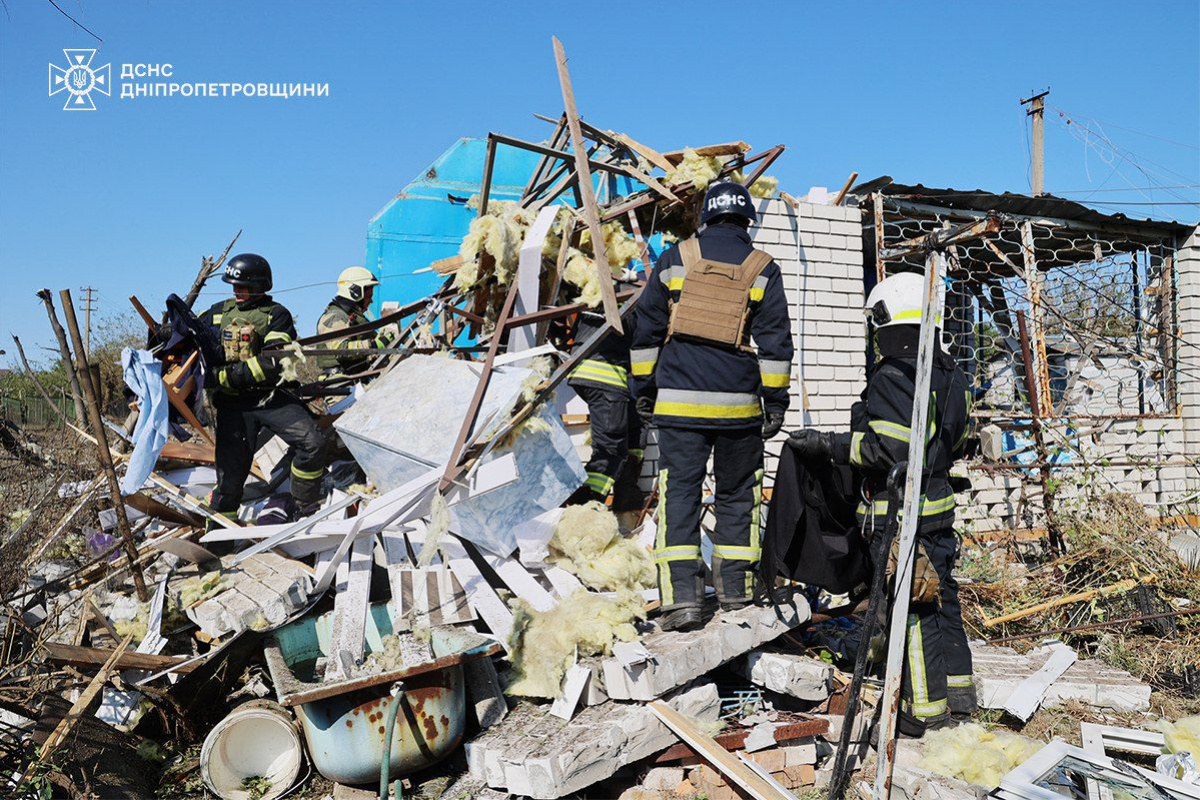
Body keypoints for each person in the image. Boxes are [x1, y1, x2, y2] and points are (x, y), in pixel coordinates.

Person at [787, 271, 974, 736]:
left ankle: (923, 712)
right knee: (940, 600)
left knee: (909, 610)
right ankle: (959, 693)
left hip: (901, 514)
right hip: (938, 505)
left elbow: (889, 451)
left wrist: (829, 445)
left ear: (888, 318)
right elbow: (961, 439)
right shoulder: (947, 369)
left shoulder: (893, 375)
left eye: (876, 320)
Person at [631, 181, 794, 632]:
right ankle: (736, 592)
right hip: (739, 410)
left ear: (706, 217)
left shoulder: (675, 258)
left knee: (680, 494)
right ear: (747, 220)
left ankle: (681, 599)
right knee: (738, 494)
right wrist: (775, 402)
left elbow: (645, 329)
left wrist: (643, 388)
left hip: (679, 406)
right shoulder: (763, 267)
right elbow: (777, 344)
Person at [199, 254, 328, 526]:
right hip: (233, 406)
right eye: (232, 285)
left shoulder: (276, 315)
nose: (236, 291)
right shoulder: (217, 312)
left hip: (270, 398)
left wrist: (225, 376)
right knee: (229, 480)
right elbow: (193, 336)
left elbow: (273, 362)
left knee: (312, 443)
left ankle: (304, 509)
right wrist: (167, 333)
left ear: (259, 285)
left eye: (242, 286)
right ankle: (219, 543)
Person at [565, 289, 646, 521]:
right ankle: (582, 512)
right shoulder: (631, 301)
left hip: (600, 375)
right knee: (611, 449)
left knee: (627, 444)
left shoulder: (606, 293)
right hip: (605, 377)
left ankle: (615, 507)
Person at [315, 266, 397, 381]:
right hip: (338, 386)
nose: (371, 301)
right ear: (356, 293)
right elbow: (341, 350)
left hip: (359, 380)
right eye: (369, 296)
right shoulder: (334, 316)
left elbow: (376, 346)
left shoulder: (358, 319)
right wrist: (374, 345)